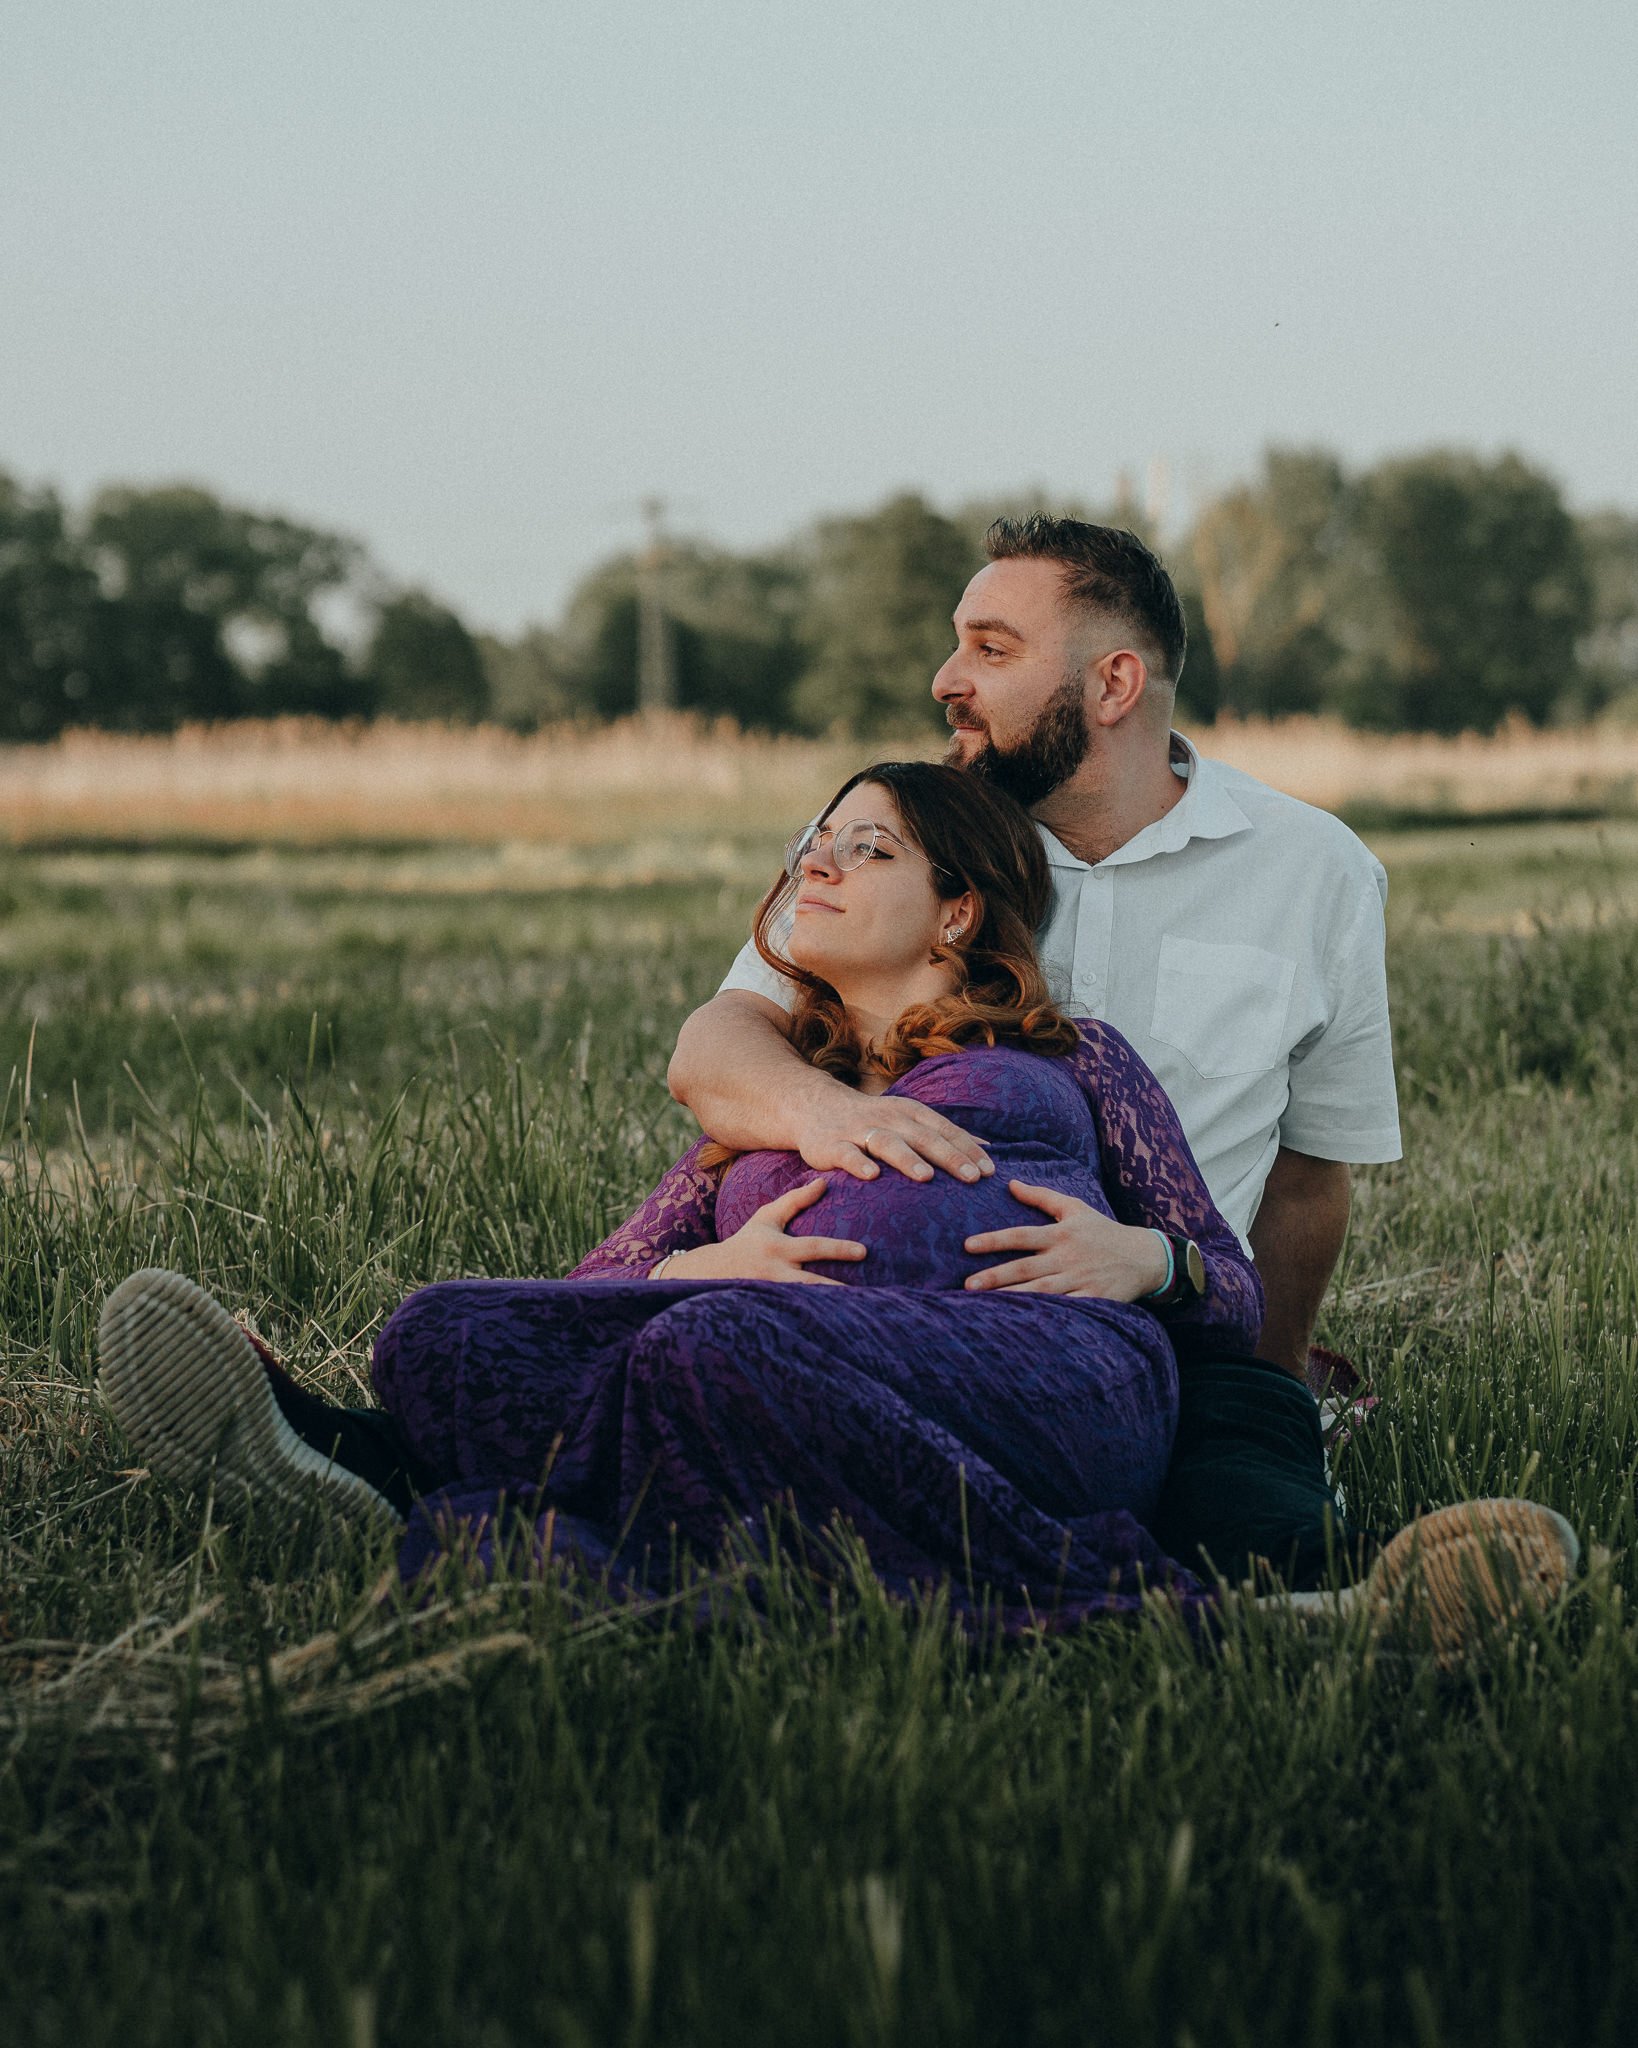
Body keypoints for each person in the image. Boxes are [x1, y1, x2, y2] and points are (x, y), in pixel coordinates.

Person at [98, 765, 1263, 1629]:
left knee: (714, 1347)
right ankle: (619, 1565)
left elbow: (1237, 1291)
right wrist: (697, 1264)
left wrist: (1153, 1262)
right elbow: (589, 1296)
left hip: (1047, 1374)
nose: (816, 862)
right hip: (767, 1367)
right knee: (437, 1330)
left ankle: (379, 1474)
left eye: (868, 848)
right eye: (815, 839)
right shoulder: (764, 1097)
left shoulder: (1074, 1056)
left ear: (958, 909)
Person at [670, 516, 1398, 1590]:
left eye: (991, 648)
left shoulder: (1316, 868)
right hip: (901, 1305)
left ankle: (1349, 1601)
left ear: (1113, 683)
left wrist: (1262, 1379)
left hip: (1169, 1317)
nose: (945, 677)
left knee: (1256, 1535)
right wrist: (833, 1117)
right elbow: (719, 1042)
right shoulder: (921, 847)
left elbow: (1307, 1172)